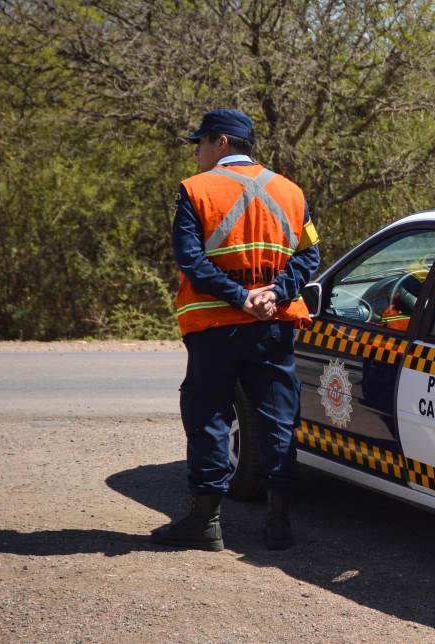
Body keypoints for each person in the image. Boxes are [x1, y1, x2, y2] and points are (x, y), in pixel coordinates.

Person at [151, 108, 320, 552]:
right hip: (274, 324)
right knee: (277, 418)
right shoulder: (291, 191)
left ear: (222, 142)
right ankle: (279, 524)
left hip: (216, 325)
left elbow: (190, 259)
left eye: (201, 143)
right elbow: (309, 256)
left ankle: (206, 523)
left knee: (208, 415)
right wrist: (276, 293)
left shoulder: (196, 190)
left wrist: (239, 297)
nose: (198, 152)